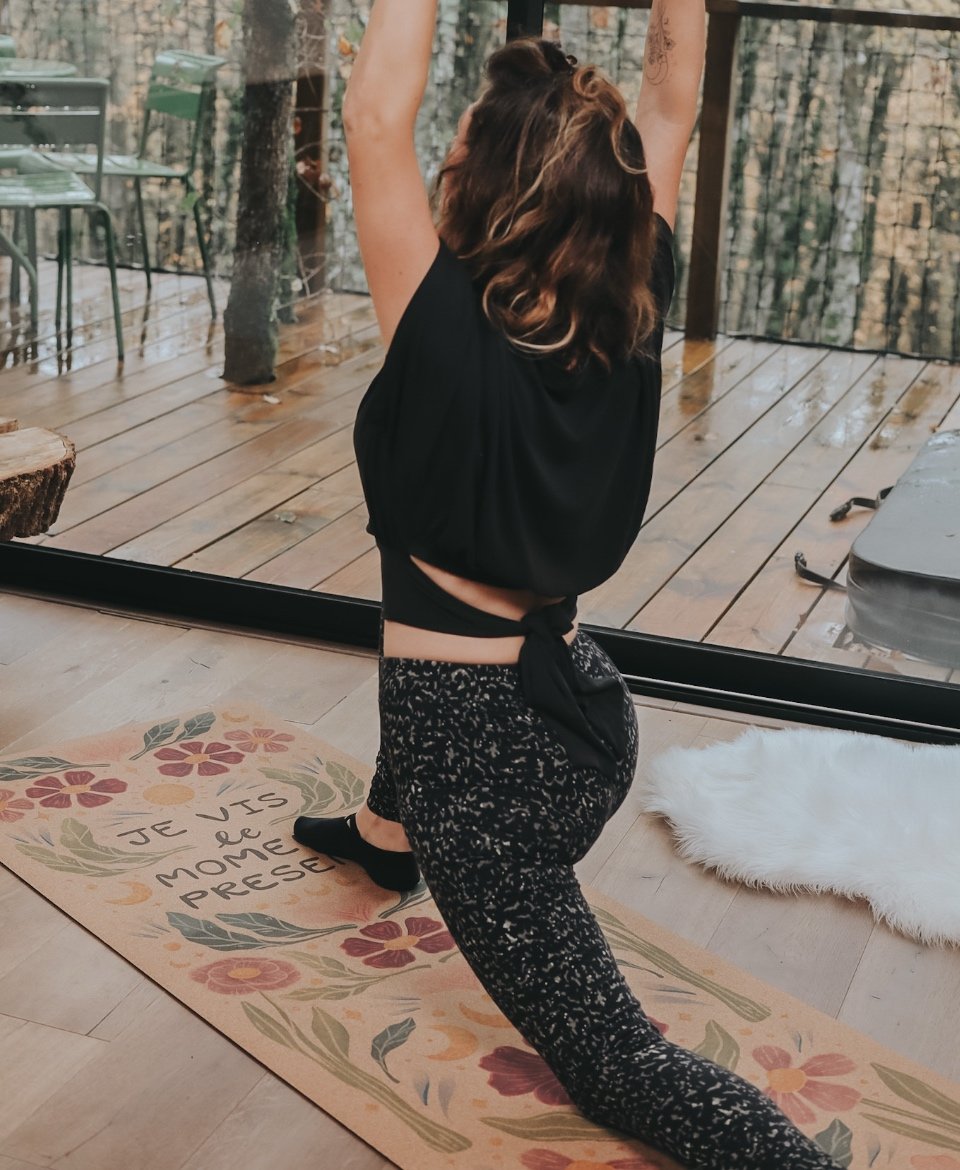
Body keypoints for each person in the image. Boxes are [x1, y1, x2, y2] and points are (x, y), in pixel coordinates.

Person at [294, 3, 843, 1167]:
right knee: (430, 660)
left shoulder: (439, 328)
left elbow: (375, 112)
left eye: (463, 140)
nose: (443, 146)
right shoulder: (628, 301)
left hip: (483, 781)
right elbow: (672, 101)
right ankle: (386, 834)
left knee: (617, 1065)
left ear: (488, 188)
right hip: (574, 707)